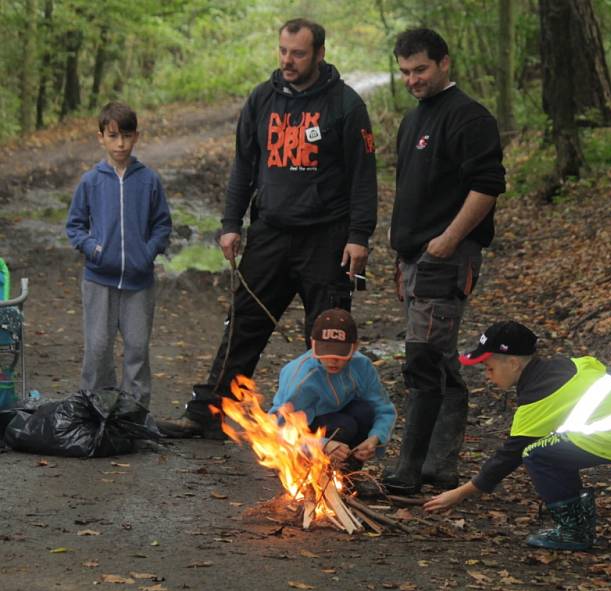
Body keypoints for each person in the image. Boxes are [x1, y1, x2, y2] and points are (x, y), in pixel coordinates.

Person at [157, 18, 378, 438]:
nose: (287, 60)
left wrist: (359, 236)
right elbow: (244, 165)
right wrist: (229, 224)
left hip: (326, 238)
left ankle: (326, 428)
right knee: (243, 323)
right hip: (270, 234)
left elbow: (363, 177)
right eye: (282, 51)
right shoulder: (262, 99)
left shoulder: (346, 105)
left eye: (297, 53)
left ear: (319, 54)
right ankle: (209, 413)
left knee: (327, 333)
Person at [381, 28, 506, 495]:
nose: (413, 79)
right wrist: (400, 244)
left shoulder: (470, 117)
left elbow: (488, 186)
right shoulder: (414, 119)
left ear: (445, 64)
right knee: (440, 358)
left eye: (421, 69)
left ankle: (410, 470)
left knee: (424, 357)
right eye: (406, 71)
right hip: (414, 257)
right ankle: (441, 464)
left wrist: (450, 240)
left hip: (446, 258)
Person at [424, 321, 611, 551]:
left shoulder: (539, 395)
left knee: (536, 454)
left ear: (513, 363)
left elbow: (508, 457)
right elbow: (595, 367)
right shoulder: (559, 366)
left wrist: (460, 493)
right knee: (551, 449)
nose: (487, 375)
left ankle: (573, 532)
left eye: (489, 367)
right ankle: (580, 523)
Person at [65, 101, 172, 411]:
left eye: (126, 136)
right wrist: (94, 249)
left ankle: (135, 414)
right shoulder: (91, 181)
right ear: (101, 138)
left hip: (140, 282)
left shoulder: (148, 180)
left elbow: (162, 224)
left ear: (136, 136)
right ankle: (93, 408)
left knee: (137, 349)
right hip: (99, 280)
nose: (120, 144)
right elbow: (75, 225)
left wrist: (148, 252)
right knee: (98, 348)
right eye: (113, 136)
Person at [269, 308, 396, 470]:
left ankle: (349, 471)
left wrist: (376, 437)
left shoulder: (362, 365)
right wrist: (321, 444)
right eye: (326, 351)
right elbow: (277, 430)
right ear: (313, 344)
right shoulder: (303, 377)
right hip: (305, 433)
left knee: (364, 411)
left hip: (337, 420)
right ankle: (315, 470)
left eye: (340, 353)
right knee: (344, 425)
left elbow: (383, 409)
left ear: (354, 347)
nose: (332, 360)